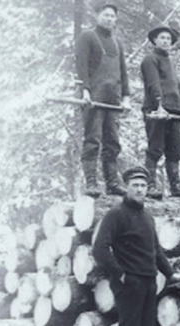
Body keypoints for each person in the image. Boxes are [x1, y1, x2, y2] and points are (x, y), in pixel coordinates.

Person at [92, 166, 178, 326]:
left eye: (143, 185)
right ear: (126, 188)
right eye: (135, 185)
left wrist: (170, 274)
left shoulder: (147, 216)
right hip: (129, 284)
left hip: (149, 282)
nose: (140, 189)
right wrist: (120, 274)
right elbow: (99, 249)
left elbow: (156, 251)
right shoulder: (116, 215)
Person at [75, 3, 131, 198]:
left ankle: (112, 183)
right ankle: (91, 182)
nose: (110, 19)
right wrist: (85, 91)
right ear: (98, 16)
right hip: (94, 98)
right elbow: (81, 66)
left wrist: (126, 97)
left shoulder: (117, 42)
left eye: (113, 17)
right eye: (106, 15)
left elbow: (123, 72)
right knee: (93, 139)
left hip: (113, 100)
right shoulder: (87, 37)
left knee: (113, 142)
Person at [140, 25, 180, 200]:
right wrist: (158, 105)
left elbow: (177, 86)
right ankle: (150, 185)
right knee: (155, 147)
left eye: (168, 39)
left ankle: (176, 187)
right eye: (162, 38)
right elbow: (153, 83)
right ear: (155, 40)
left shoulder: (170, 62)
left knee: (175, 149)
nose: (165, 41)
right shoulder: (150, 59)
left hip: (174, 111)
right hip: (157, 110)